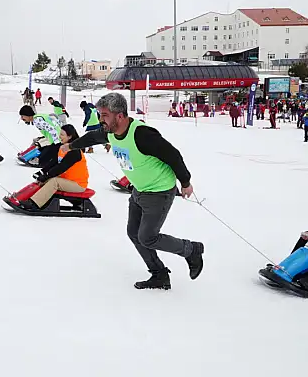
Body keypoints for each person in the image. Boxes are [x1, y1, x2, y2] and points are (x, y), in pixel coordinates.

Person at [61, 93, 204, 290]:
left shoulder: (142, 135)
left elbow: (173, 155)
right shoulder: (110, 131)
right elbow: (93, 137)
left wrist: (185, 182)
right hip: (139, 190)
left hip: (159, 191)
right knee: (133, 233)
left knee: (147, 237)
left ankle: (191, 250)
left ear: (119, 116)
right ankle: (159, 274)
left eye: (104, 116)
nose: (101, 120)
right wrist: (71, 145)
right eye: (100, 115)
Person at [18, 124, 89, 210]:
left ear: (69, 137)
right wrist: (42, 172)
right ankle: (23, 197)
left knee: (54, 181)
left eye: (62, 135)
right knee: (42, 181)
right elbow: (53, 162)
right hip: (67, 180)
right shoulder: (62, 148)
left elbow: (61, 167)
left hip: (78, 184)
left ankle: (34, 203)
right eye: (60, 134)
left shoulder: (75, 152)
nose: (60, 136)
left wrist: (46, 176)